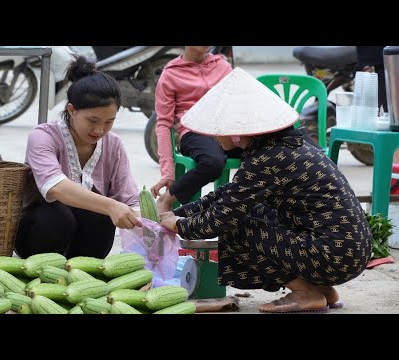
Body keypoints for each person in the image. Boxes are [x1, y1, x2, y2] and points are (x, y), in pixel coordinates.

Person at [160, 67, 373, 313]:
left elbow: (221, 217)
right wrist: (183, 212)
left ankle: (306, 292)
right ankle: (324, 290)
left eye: (220, 129)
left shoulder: (266, 158)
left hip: (335, 254)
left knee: (236, 224)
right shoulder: (286, 144)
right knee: (255, 210)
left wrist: (178, 225)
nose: (215, 137)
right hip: (348, 250)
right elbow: (228, 195)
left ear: (240, 130)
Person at [14, 55, 142, 260]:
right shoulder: (43, 137)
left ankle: (83, 271)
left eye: (109, 122)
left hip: (84, 242)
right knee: (58, 217)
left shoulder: (113, 145)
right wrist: (111, 205)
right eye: (92, 120)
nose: (100, 129)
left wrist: (149, 222)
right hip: (39, 233)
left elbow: (129, 198)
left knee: (101, 218)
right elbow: (55, 187)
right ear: (71, 110)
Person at [151, 46, 240, 213]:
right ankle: (168, 198)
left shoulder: (223, 67)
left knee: (268, 150)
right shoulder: (171, 74)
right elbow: (164, 124)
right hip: (194, 132)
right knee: (213, 162)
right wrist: (167, 173)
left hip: (227, 130)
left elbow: (236, 104)